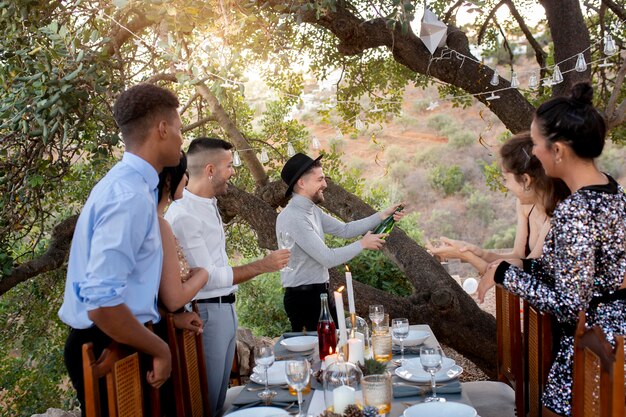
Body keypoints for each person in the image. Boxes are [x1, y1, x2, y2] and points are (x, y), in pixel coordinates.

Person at [477, 82, 626, 417]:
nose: (536, 153)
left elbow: (571, 305)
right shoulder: (613, 191)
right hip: (613, 336)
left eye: (538, 144)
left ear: (557, 151)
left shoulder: (576, 210)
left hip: (594, 346)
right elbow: (583, 271)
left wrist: (505, 274)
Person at [58, 83, 183, 415]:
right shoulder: (128, 195)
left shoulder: (130, 186)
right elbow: (102, 302)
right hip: (106, 345)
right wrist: (161, 350)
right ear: (162, 129)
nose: (182, 140)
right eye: (180, 129)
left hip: (122, 339)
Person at [165, 137, 290, 417]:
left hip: (223, 310)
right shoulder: (184, 215)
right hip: (206, 314)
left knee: (218, 399)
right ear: (210, 170)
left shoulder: (208, 203)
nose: (233, 171)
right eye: (229, 166)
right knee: (206, 403)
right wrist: (263, 265)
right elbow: (207, 277)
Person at [277, 152, 404, 332]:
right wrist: (362, 244)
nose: (325, 184)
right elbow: (327, 258)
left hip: (320, 293)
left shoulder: (312, 210)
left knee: (338, 349)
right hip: (303, 299)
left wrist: (382, 215)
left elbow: (345, 230)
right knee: (318, 356)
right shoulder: (293, 217)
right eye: (320, 179)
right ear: (302, 183)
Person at [427, 132, 569, 275]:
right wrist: (475, 251)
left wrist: (465, 256)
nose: (505, 185)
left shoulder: (560, 212)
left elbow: (528, 272)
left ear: (526, 180)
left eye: (506, 179)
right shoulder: (525, 206)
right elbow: (518, 258)